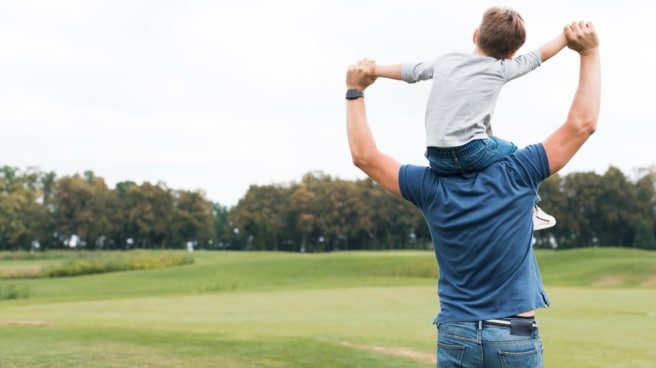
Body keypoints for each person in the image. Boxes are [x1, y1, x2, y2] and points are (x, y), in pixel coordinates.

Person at [345, 20, 600, 368]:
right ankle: (535, 211)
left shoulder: (429, 186)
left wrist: (355, 91)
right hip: (515, 332)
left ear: (475, 37)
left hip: (455, 332)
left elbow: (365, 157)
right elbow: (582, 124)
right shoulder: (518, 171)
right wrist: (588, 52)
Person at [372, 7, 568, 231]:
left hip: (436, 157)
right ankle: (532, 209)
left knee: (489, 134)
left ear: (475, 35)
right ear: (512, 53)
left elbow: (411, 71)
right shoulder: (502, 68)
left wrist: (375, 70)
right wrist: (565, 37)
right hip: (471, 152)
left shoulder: (446, 60)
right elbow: (537, 56)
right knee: (513, 151)